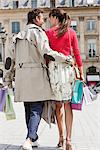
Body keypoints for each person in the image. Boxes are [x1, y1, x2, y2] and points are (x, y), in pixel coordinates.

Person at [4, 9, 73, 150]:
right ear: (36, 19)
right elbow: (47, 53)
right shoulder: (38, 33)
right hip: (36, 75)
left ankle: (33, 138)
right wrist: (65, 58)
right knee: (36, 108)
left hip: (22, 77)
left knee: (28, 108)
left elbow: (9, 60)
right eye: (42, 18)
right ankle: (29, 139)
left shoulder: (17, 35)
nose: (44, 21)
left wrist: (7, 80)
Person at [46, 8, 84, 150]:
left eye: (50, 18)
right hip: (68, 70)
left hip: (54, 71)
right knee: (68, 105)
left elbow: (45, 54)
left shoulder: (49, 33)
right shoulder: (71, 32)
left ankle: (60, 138)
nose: (49, 21)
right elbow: (77, 52)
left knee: (58, 106)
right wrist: (80, 71)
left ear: (55, 17)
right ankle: (69, 139)